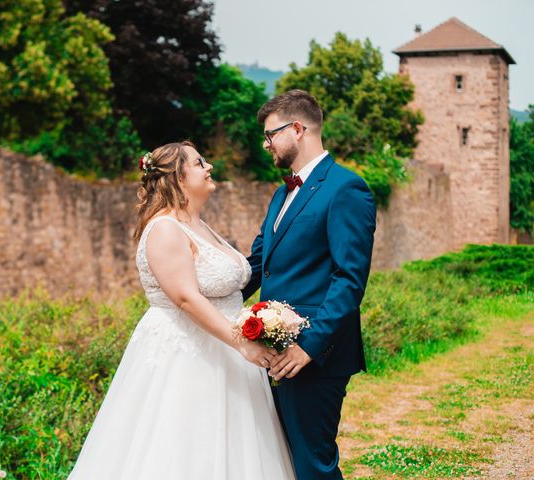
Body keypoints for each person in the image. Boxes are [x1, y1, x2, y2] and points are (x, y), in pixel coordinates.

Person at [67, 141, 296, 479]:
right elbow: (186, 298)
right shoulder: (164, 229)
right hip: (190, 356)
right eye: (199, 162)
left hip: (228, 353)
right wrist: (241, 342)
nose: (209, 167)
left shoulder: (198, 225)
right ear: (176, 177)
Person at [243, 90, 377, 480]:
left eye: (270, 135)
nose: (266, 144)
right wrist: (199, 297)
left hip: (315, 355)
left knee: (312, 465)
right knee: (283, 461)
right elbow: (256, 266)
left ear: (298, 129)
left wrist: (309, 346)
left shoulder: (346, 189)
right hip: (275, 351)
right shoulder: (280, 195)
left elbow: (349, 278)